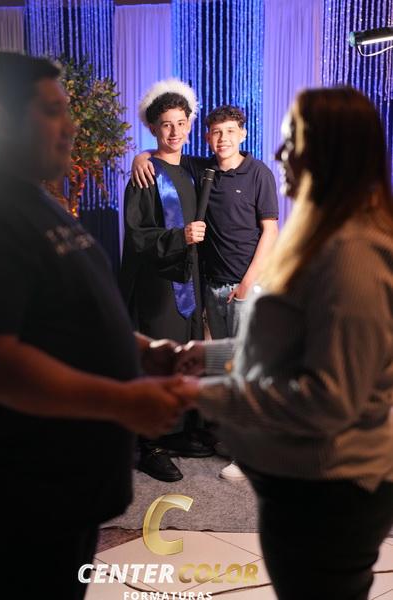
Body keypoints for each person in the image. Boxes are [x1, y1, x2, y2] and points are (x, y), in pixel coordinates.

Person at [0, 52, 189, 600]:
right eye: (53, 111)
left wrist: (144, 350)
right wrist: (123, 401)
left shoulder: (36, 198)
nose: (72, 127)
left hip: (64, 482)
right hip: (17, 489)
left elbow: (65, 319)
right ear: (2, 119)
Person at [174, 86, 393, 600]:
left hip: (331, 493)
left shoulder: (353, 253)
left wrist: (198, 393)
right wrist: (198, 357)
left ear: (330, 152)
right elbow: (288, 354)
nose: (278, 153)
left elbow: (327, 399)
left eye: (291, 141)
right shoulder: (323, 235)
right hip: (301, 484)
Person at [132, 105, 279, 481]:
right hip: (212, 286)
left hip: (247, 286)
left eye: (230, 131)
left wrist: (248, 284)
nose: (223, 138)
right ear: (207, 136)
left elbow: (271, 231)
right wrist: (140, 156)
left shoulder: (258, 173)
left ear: (243, 134)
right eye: (216, 132)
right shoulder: (203, 170)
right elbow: (167, 155)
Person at [120, 79, 213, 483]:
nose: (174, 131)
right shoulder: (145, 175)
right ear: (153, 128)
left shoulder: (193, 168)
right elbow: (137, 236)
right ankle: (150, 445)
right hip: (158, 283)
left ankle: (175, 433)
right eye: (165, 124)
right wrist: (179, 236)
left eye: (180, 123)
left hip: (190, 278)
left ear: (190, 124)